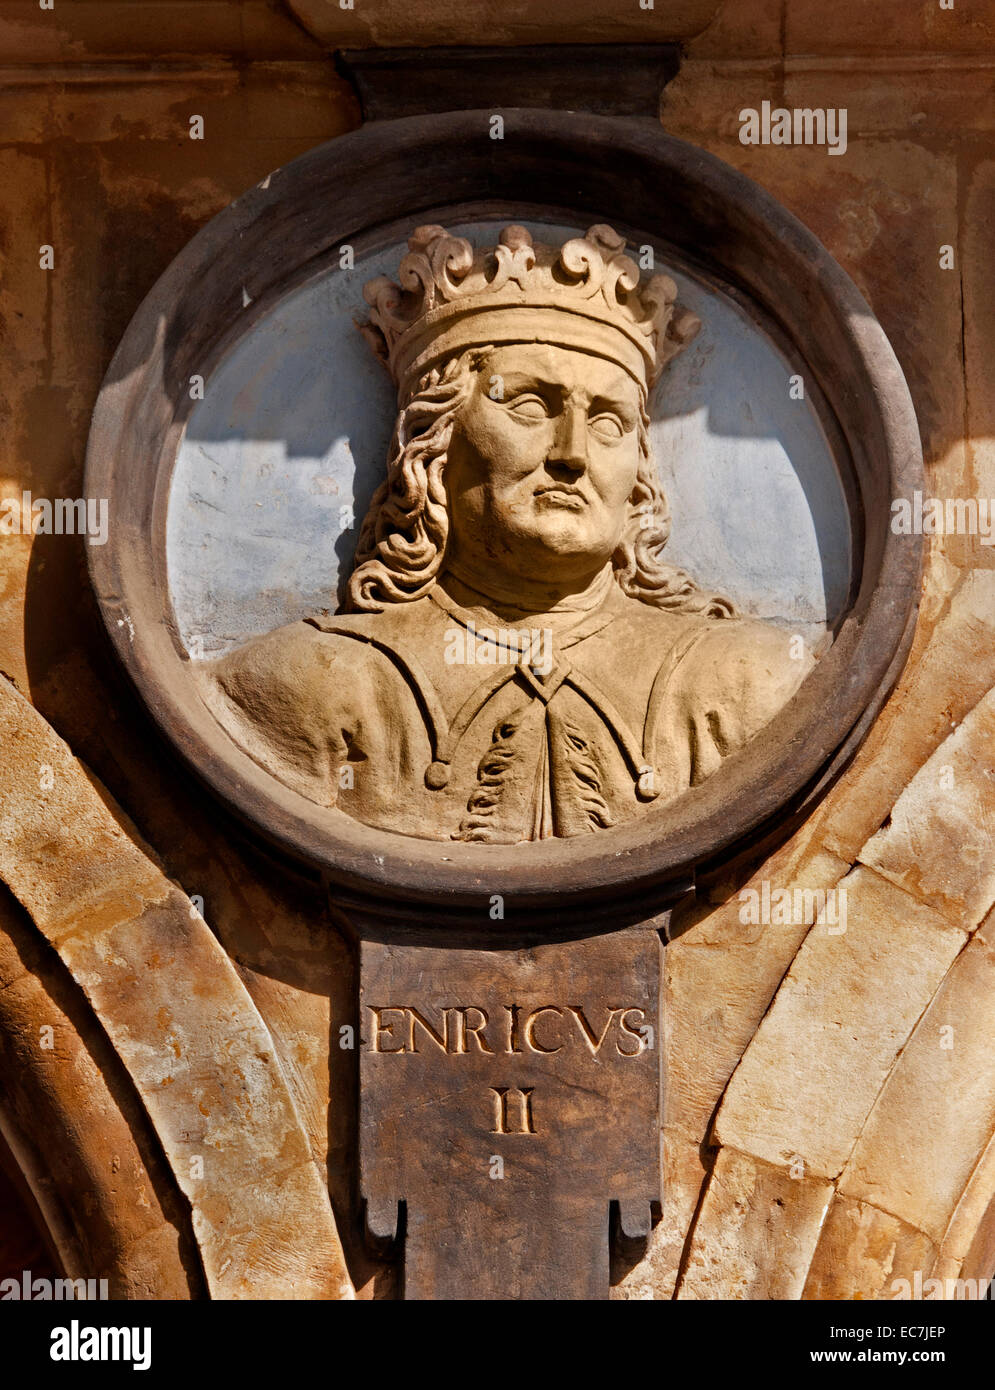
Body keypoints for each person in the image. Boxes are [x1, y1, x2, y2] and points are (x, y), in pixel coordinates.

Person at [200, 223, 812, 843]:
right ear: (432, 445)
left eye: (607, 423)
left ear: (641, 468)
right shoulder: (314, 684)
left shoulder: (742, 683)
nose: (572, 454)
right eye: (529, 408)